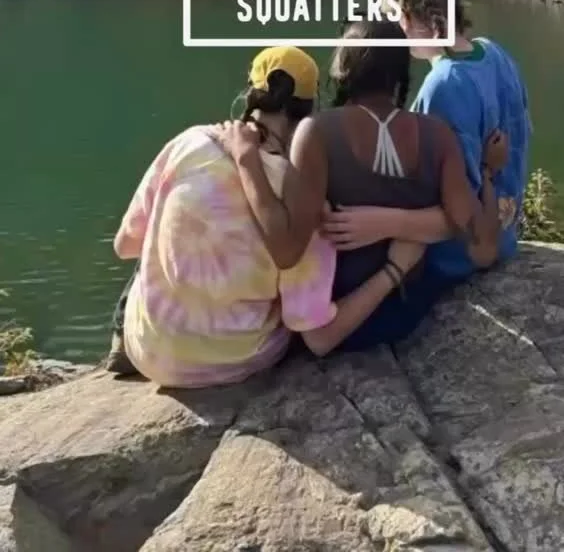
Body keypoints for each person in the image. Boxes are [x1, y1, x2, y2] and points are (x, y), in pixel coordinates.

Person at [108, 45, 424, 386]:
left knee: (154, 235)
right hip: (235, 361)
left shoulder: (188, 142)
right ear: (308, 110)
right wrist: (394, 269)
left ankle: (126, 340)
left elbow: (125, 245)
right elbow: (318, 336)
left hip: (148, 351)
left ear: (251, 96)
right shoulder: (304, 197)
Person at [213, 20, 503, 351]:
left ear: (344, 68)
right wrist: (487, 172)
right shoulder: (438, 135)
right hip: (407, 313)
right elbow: (483, 248)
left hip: (339, 320)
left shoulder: (316, 132)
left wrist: (247, 160)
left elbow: (286, 251)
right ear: (401, 72)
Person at [323, 0, 531, 284]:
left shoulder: (443, 84)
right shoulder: (494, 52)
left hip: (458, 254)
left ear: (409, 20)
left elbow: (453, 201)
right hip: (504, 233)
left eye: (393, 18)